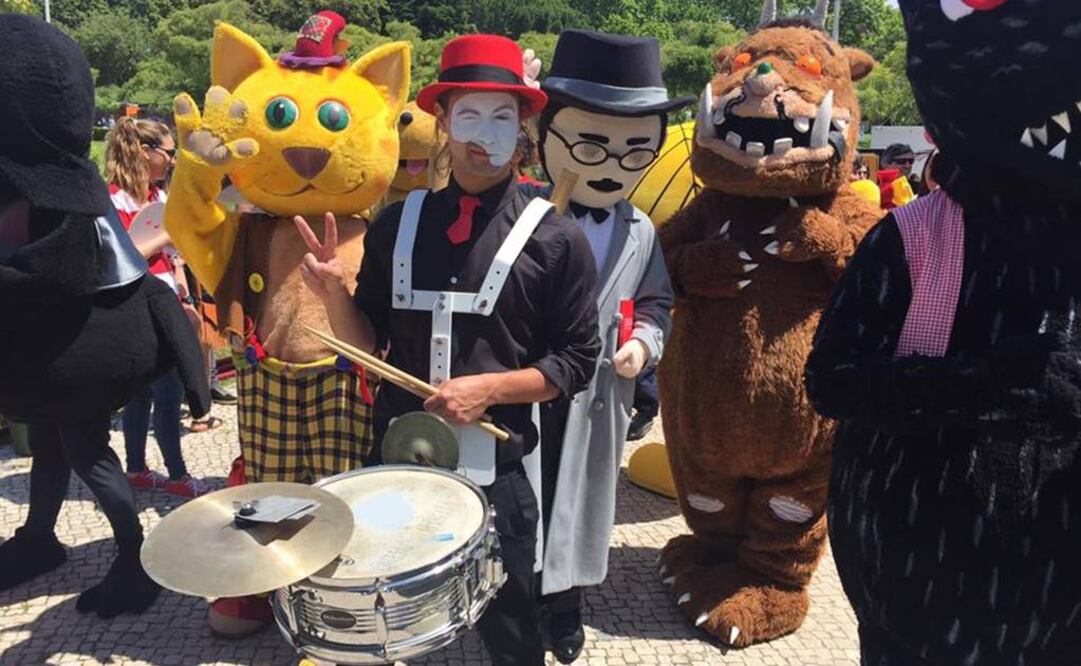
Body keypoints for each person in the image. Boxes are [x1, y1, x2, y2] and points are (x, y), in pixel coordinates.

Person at [297, 34, 601, 666]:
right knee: (390, 620)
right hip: (395, 460)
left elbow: (577, 361)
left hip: (498, 469)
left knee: (512, 630)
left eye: (501, 116)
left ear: (523, 126)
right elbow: (366, 343)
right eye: (468, 114)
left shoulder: (556, 237)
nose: (482, 134)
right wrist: (331, 296)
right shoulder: (395, 224)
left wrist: (488, 388)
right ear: (442, 120)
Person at [0, 14, 209, 616]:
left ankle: (134, 554)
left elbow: (62, 263)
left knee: (90, 453)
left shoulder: (63, 190)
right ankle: (39, 538)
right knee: (48, 445)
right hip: (50, 354)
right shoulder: (52, 182)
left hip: (76, 352)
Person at [531, 29, 682, 663]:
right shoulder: (521, 215)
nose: (611, 163)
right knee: (523, 497)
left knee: (583, 498)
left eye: (632, 150)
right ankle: (512, 594)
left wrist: (644, 347)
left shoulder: (641, 228)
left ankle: (564, 601)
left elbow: (657, 303)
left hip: (600, 391)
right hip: (527, 386)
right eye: (591, 143)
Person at [105, 118, 212, 498]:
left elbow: (175, 258)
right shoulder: (112, 200)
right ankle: (178, 475)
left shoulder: (157, 198)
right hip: (136, 308)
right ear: (144, 152)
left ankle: (136, 468)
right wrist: (167, 232)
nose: (172, 160)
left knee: (146, 394)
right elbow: (123, 257)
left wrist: (185, 299)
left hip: (166, 303)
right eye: (168, 152)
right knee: (164, 393)